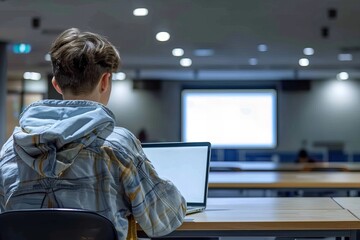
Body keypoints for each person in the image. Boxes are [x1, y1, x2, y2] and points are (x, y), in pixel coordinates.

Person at [0, 28, 186, 240]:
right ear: (105, 81)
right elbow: (163, 220)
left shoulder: (11, 148)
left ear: (56, 84)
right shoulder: (117, 145)